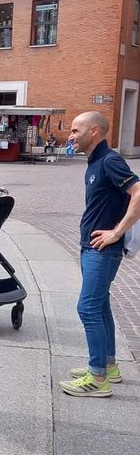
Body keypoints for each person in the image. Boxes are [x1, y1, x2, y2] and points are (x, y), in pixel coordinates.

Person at [59, 111, 140, 397]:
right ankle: (109, 366)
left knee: (88, 307)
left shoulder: (110, 160)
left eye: (75, 130)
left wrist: (116, 233)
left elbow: (138, 192)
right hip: (91, 247)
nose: (71, 136)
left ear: (94, 131)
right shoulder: (95, 162)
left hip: (103, 250)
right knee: (100, 305)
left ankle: (97, 378)